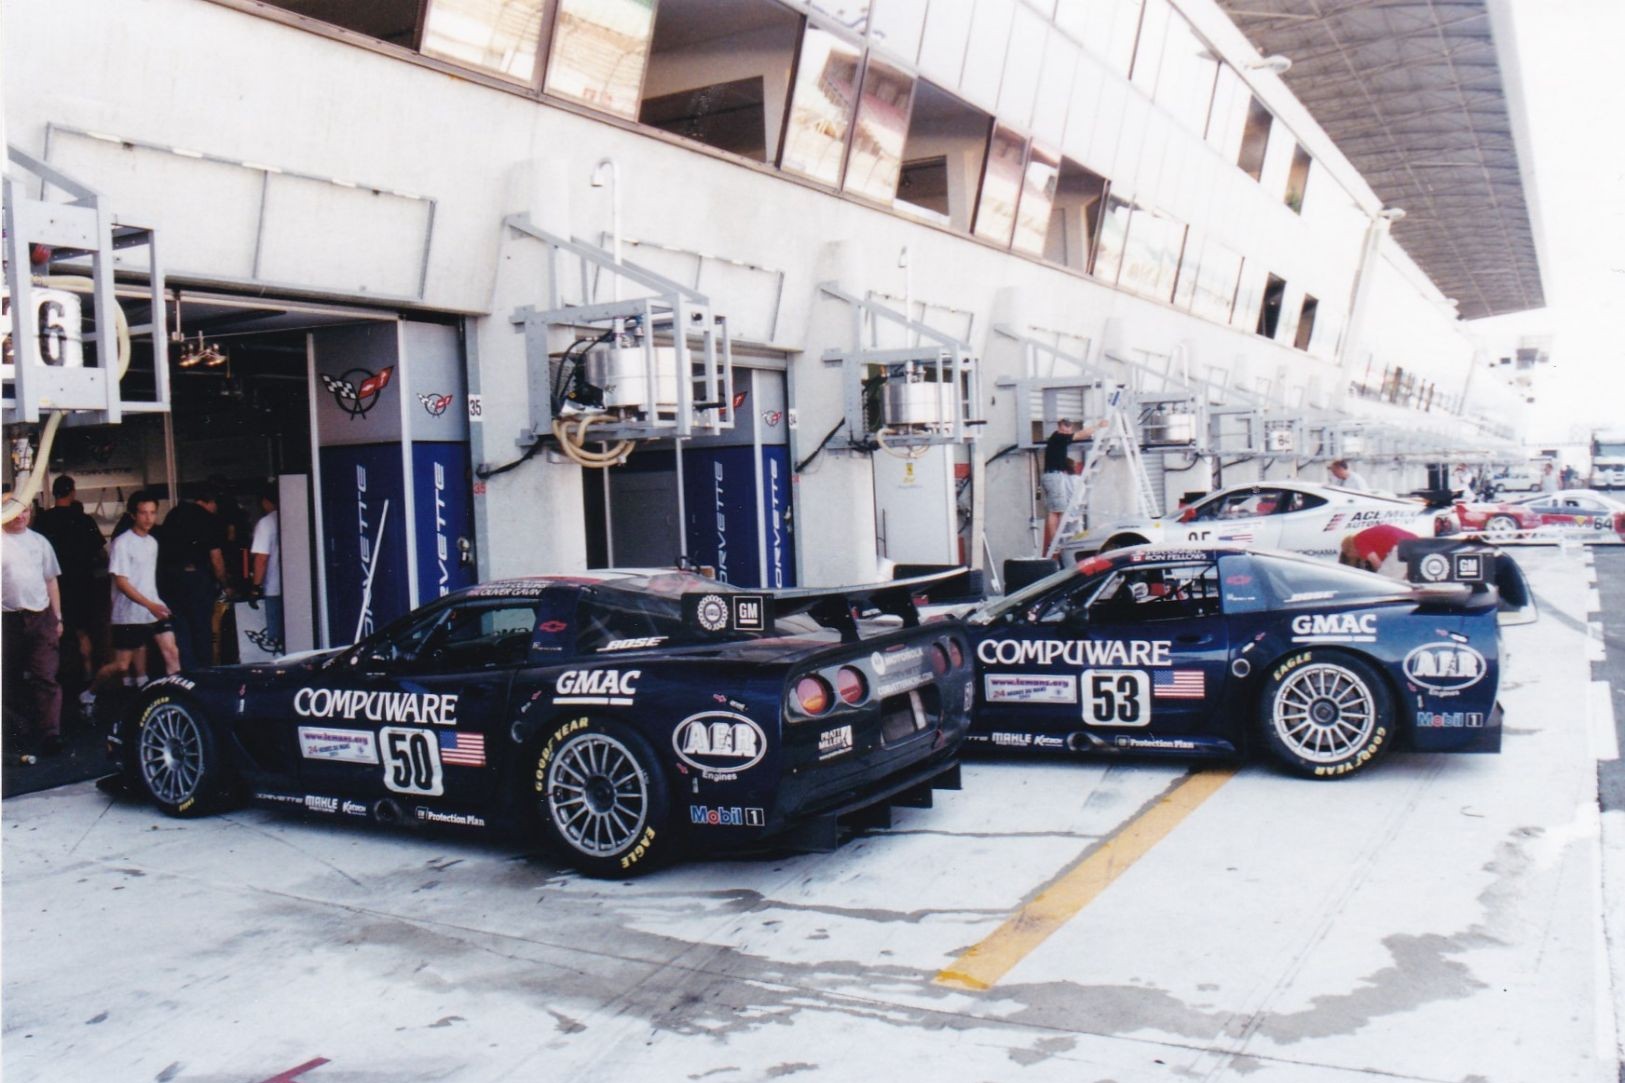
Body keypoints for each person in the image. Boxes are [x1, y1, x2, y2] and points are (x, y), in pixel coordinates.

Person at [93, 491, 180, 697]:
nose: (149, 518)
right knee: (122, 666)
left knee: (172, 652)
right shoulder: (122, 543)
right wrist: (149, 604)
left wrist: (153, 604)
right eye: (143, 513)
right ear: (133, 515)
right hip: (128, 613)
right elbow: (122, 583)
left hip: (154, 608)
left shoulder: (152, 542)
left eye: (152, 513)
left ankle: (177, 701)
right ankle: (89, 694)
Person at [2, 492, 65, 757]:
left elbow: (51, 580)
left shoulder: (40, 542)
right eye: (15, 510)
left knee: (45, 676)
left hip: (40, 617)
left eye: (26, 510)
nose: (22, 515)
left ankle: (51, 734)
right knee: (6, 680)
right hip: (7, 619)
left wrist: (58, 617)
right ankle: (15, 731)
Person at [32, 475, 107, 687]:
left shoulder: (44, 520)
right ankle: (88, 672)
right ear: (72, 492)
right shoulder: (84, 520)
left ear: (54, 493)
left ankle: (54, 674)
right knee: (83, 631)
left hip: (54, 585)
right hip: (82, 583)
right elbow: (101, 553)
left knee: (55, 630)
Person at [159, 486, 230, 669]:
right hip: (197, 580)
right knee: (201, 629)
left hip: (170, 580)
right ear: (210, 502)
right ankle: (204, 673)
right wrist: (225, 583)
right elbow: (216, 558)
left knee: (181, 631)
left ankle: (186, 673)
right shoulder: (209, 520)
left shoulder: (174, 514)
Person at [1041, 417, 1106, 552]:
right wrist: (1098, 425)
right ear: (1060, 427)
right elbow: (1081, 434)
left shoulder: (1058, 439)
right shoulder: (1059, 437)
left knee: (1059, 510)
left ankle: (1058, 540)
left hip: (1054, 476)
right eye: (1066, 429)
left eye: (1069, 429)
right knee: (1055, 511)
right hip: (1054, 476)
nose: (1068, 432)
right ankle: (1054, 542)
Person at [249, 483, 283, 649]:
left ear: (265, 502)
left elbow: (261, 559)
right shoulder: (291, 516)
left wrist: (255, 587)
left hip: (273, 586)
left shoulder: (265, 523)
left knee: (277, 638)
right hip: (295, 589)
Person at [1337, 523, 1417, 578]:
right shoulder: (1367, 537)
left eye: (1353, 556)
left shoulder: (1358, 541)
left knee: (1386, 582)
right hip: (1416, 545)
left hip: (1400, 548)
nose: (1359, 557)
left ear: (1350, 550)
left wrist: (1378, 575)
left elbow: (1375, 561)